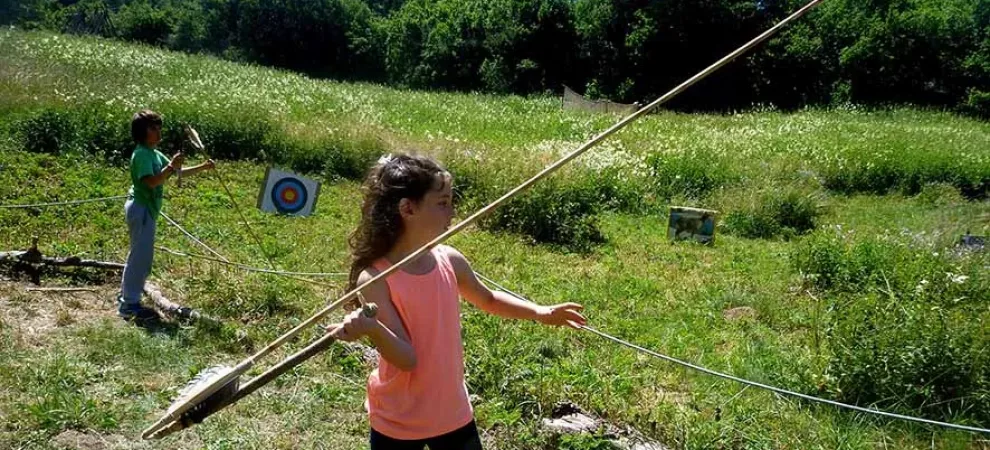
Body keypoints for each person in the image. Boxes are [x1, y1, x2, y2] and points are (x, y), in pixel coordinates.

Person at [327, 153, 587, 449]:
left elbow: (488, 299)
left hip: (451, 412)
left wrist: (539, 312)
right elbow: (406, 358)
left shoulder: (450, 260)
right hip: (398, 420)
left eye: (451, 201)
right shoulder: (375, 279)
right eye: (442, 203)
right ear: (408, 208)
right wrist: (372, 329)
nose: (452, 212)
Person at [118, 110, 215, 321]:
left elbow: (178, 172)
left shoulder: (154, 153)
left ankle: (128, 297)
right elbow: (152, 181)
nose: (158, 131)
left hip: (147, 209)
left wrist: (203, 167)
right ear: (142, 132)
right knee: (139, 259)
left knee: (140, 257)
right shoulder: (142, 154)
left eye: (159, 126)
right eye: (153, 127)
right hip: (141, 208)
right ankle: (128, 305)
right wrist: (171, 166)